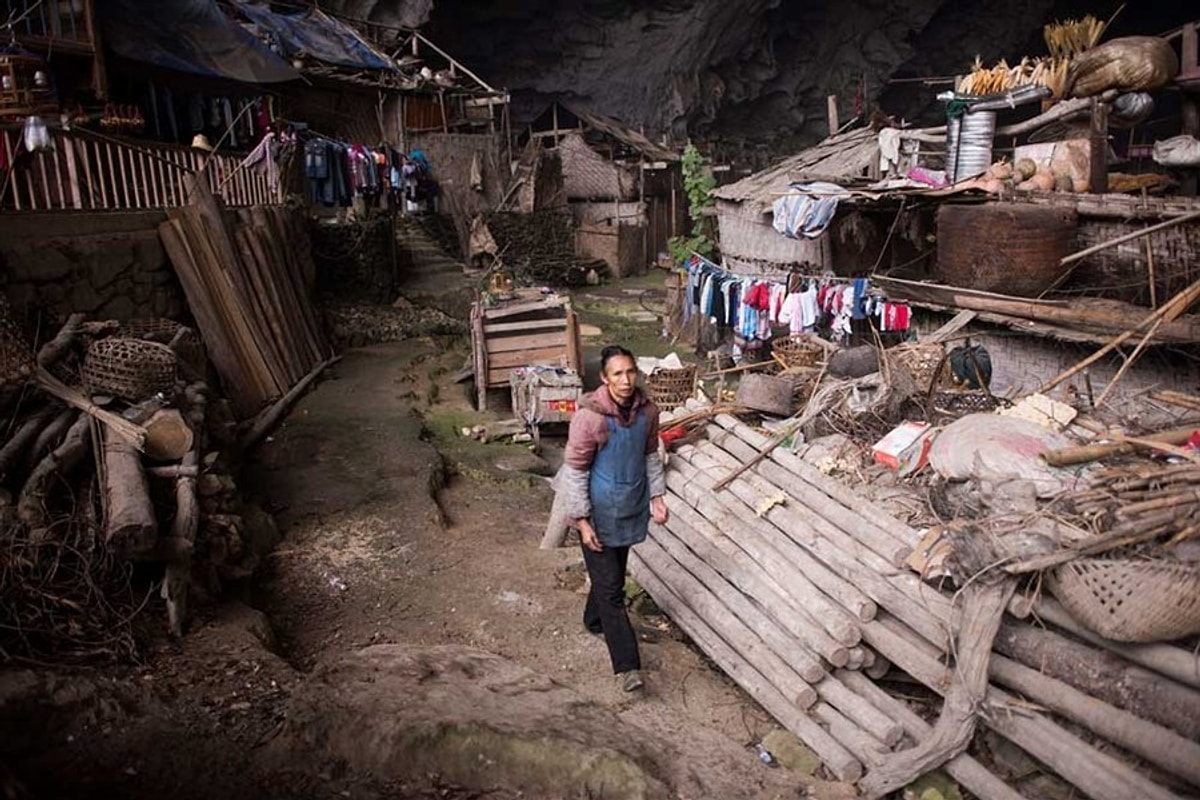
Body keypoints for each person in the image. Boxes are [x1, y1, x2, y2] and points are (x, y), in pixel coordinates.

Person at [557, 345, 668, 693]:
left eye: (630, 371)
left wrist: (657, 496)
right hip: (599, 514)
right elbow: (574, 472)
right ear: (604, 379)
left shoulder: (647, 412)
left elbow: (651, 455)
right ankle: (627, 667)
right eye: (617, 374)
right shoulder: (590, 416)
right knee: (612, 590)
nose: (626, 379)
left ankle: (594, 620)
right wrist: (582, 521)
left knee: (613, 578)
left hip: (630, 508)